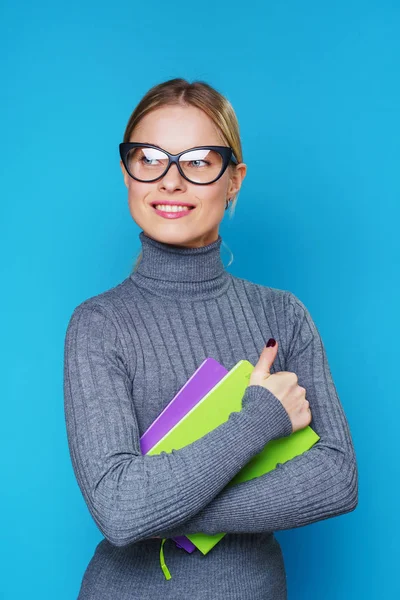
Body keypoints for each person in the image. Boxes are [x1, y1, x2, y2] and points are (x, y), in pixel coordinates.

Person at [63, 78, 358, 600]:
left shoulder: (282, 315)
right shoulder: (99, 324)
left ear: (234, 178)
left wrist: (165, 510)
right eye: (149, 158)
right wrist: (259, 417)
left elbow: (337, 479)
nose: (170, 181)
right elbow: (120, 511)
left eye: (198, 161)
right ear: (126, 172)